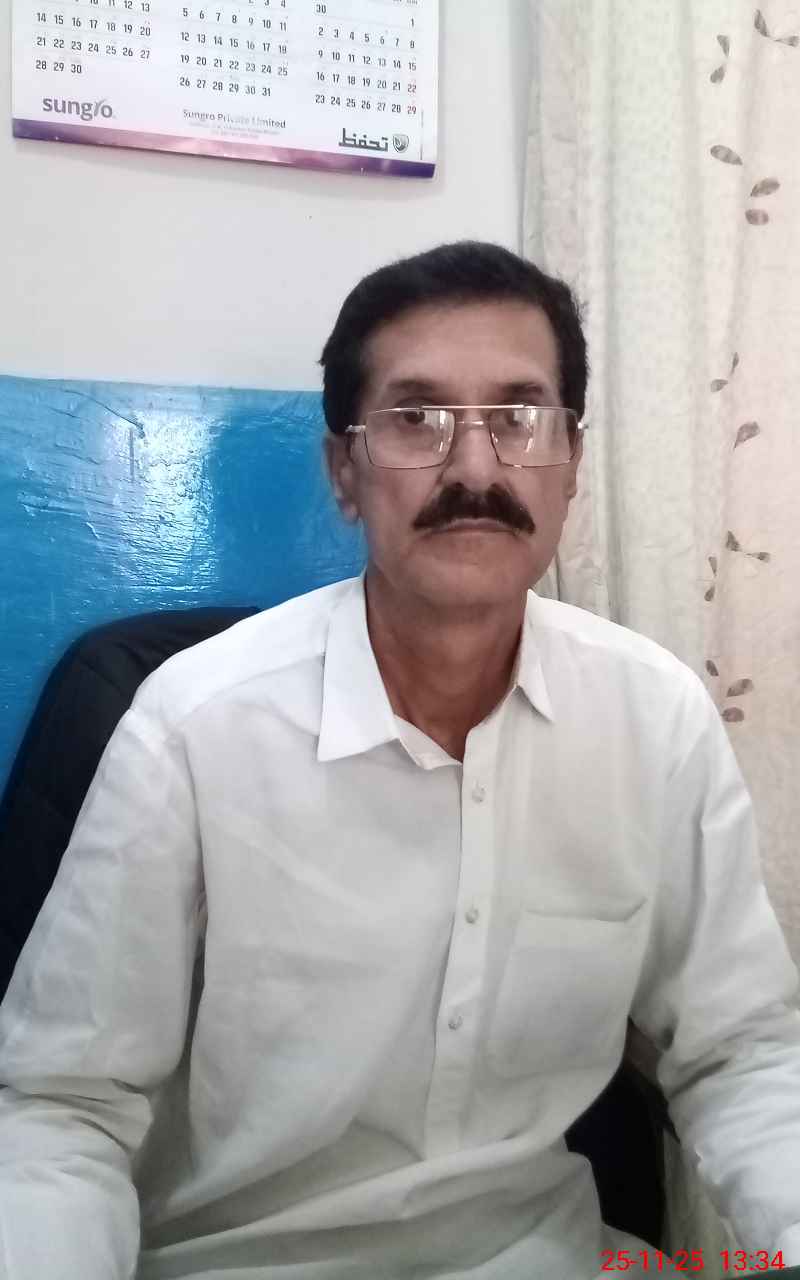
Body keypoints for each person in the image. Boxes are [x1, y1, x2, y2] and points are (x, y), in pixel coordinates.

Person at [1, 241, 799, 1280]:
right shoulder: (194, 727)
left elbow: (742, 1050)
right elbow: (63, 1107)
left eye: (519, 418)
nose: (475, 470)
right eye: (416, 418)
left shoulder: (656, 720)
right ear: (344, 470)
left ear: (570, 464)